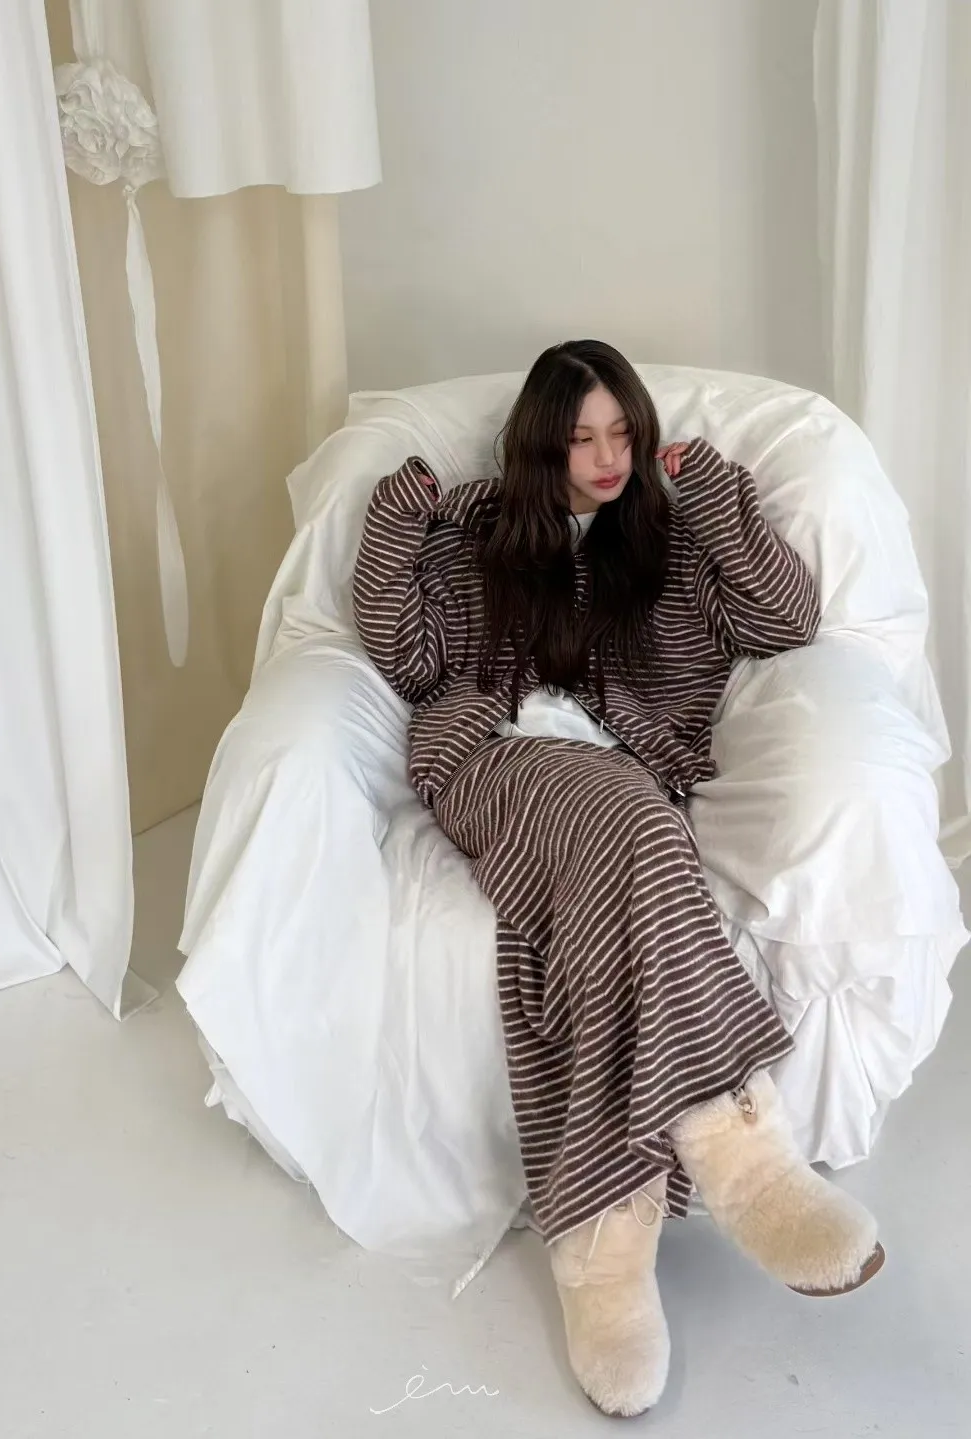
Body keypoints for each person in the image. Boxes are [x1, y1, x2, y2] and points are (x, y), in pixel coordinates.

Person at [352, 340, 884, 1419]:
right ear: (536, 448)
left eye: (619, 434)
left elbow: (785, 621)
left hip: (635, 778)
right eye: (578, 439)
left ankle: (603, 1250)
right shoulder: (477, 538)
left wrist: (719, 500)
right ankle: (746, 1160)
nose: (603, 457)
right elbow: (410, 659)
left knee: (611, 878)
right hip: (496, 758)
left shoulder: (674, 541)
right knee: (634, 825)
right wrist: (393, 529)